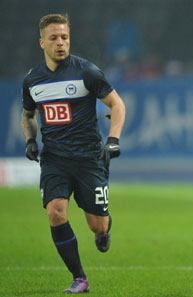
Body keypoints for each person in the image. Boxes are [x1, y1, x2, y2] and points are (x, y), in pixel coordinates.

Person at [21, 14, 126, 293]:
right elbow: (28, 115)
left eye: (65, 38)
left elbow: (117, 105)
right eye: (54, 38)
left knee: (98, 227)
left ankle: (104, 230)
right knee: (56, 212)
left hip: (89, 159)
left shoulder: (87, 72)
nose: (60, 43)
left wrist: (113, 140)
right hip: (54, 159)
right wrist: (31, 139)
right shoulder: (32, 80)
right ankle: (79, 277)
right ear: (42, 42)